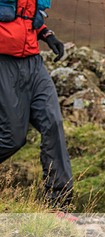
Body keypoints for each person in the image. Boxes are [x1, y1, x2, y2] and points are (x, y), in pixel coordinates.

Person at [0, 0, 73, 210]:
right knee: (12, 138)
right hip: (4, 62)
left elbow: (26, 13)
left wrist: (46, 34)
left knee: (53, 123)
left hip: (33, 62)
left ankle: (59, 204)